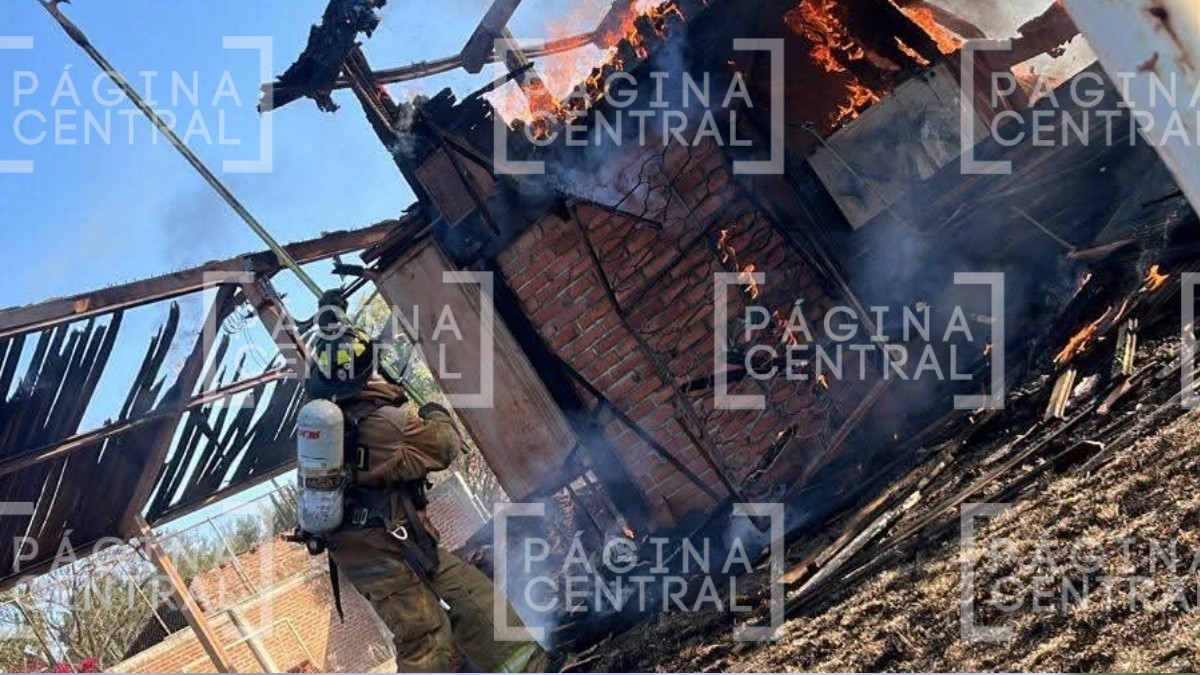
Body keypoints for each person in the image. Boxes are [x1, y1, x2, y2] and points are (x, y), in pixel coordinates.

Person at [303, 319, 546, 673]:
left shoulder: (329, 427)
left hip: (400, 541)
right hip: (382, 550)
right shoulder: (386, 421)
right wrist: (437, 414)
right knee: (426, 639)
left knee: (473, 599)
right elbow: (445, 446)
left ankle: (531, 668)